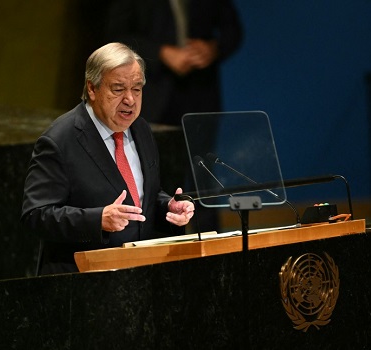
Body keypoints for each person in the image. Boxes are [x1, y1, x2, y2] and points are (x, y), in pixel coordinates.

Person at [21, 42, 195, 275]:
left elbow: (143, 196)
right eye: (118, 89)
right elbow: (36, 215)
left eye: (137, 89)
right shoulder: (60, 141)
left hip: (139, 275)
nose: (130, 100)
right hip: (81, 284)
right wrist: (97, 220)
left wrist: (169, 207)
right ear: (92, 89)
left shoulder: (140, 129)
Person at [105, 0, 243, 126]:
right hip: (149, 93)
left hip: (201, 95)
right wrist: (160, 52)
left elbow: (232, 30)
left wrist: (213, 48)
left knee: (201, 153)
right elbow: (117, 36)